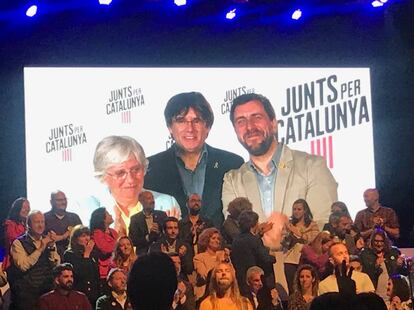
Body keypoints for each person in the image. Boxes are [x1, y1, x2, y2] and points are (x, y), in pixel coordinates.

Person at [222, 92, 338, 234]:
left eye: (257, 117)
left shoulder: (313, 166)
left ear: (273, 123)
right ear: (235, 130)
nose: (250, 127)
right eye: (241, 121)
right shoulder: (232, 181)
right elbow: (236, 231)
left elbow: (323, 225)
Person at [144, 91, 244, 227]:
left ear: (207, 127)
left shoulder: (232, 163)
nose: (190, 129)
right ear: (170, 127)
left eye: (196, 121)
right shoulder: (150, 169)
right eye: (181, 120)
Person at [83, 135, 180, 236]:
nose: (130, 179)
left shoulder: (167, 204)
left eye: (136, 169)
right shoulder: (86, 211)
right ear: (103, 176)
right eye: (120, 173)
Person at [8, 210, 60, 310]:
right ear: (28, 225)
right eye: (37, 222)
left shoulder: (47, 240)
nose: (40, 225)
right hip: (27, 295)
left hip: (47, 290)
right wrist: (40, 248)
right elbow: (23, 266)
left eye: (42, 222)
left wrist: (52, 247)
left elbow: (56, 265)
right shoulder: (18, 243)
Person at [231, 211, 276, 297]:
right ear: (253, 224)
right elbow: (265, 258)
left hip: (241, 279)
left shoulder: (236, 240)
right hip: (255, 280)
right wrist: (273, 257)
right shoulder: (254, 240)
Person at [281, 199, 319, 293]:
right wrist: (289, 235)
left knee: (307, 288)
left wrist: (298, 233)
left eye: (299, 209)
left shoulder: (312, 225)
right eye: (294, 209)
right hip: (290, 259)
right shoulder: (288, 224)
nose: (296, 212)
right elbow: (283, 242)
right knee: (293, 289)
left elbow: (312, 240)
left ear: (305, 210)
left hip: (306, 259)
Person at [359, 229, 408, 300]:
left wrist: (402, 265)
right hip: (375, 293)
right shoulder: (365, 254)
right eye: (376, 241)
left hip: (393, 294)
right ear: (372, 241)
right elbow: (365, 275)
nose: (379, 244)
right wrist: (375, 266)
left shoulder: (394, 252)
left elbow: (404, 274)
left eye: (382, 241)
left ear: (386, 242)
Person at [63, 224, 100, 306]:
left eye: (88, 235)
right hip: (79, 294)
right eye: (83, 236)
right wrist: (86, 255)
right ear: (75, 239)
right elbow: (78, 274)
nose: (87, 238)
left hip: (93, 295)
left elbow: (96, 275)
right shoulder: (69, 254)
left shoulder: (92, 254)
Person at [193, 228, 230, 300]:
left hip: (224, 292)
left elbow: (232, 273)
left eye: (218, 239)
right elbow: (205, 275)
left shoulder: (224, 255)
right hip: (205, 294)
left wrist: (227, 259)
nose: (217, 241)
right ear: (206, 240)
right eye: (213, 238)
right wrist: (218, 261)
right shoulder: (199, 258)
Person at [44, 190, 82, 258]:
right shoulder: (44, 218)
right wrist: (65, 236)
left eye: (65, 199)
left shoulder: (74, 217)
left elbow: (83, 236)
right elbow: (43, 240)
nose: (63, 202)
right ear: (51, 202)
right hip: (52, 259)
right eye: (59, 200)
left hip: (74, 258)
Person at [129, 190, 168, 255]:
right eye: (149, 198)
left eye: (153, 198)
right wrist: (148, 237)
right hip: (144, 255)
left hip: (161, 253)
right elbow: (132, 240)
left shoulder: (162, 215)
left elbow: (168, 234)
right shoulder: (135, 219)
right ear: (141, 201)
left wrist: (159, 233)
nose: (153, 201)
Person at [90, 207, 119, 282]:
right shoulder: (97, 233)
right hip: (104, 271)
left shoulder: (113, 232)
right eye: (108, 214)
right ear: (102, 219)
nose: (111, 215)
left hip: (116, 267)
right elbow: (105, 249)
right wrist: (118, 244)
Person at [2, 197, 30, 270]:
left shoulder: (28, 225)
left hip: (27, 259)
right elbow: (13, 240)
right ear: (17, 209)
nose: (27, 209)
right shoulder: (10, 224)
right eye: (24, 207)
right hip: (13, 262)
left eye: (28, 207)